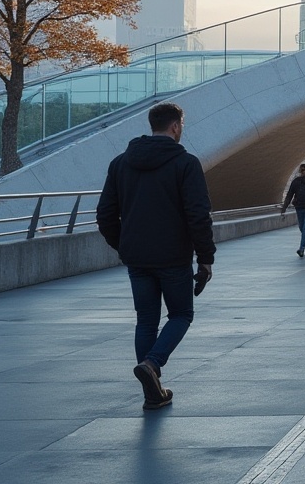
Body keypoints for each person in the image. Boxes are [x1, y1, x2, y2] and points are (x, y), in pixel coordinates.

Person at [96, 102, 214, 411]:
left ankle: (152, 390)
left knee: (146, 320)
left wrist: (123, 245)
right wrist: (205, 257)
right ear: (176, 127)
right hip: (173, 256)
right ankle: (153, 364)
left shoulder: (120, 163)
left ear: (152, 125)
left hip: (137, 258)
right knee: (181, 315)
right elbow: (198, 214)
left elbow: (105, 214)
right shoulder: (186, 164)